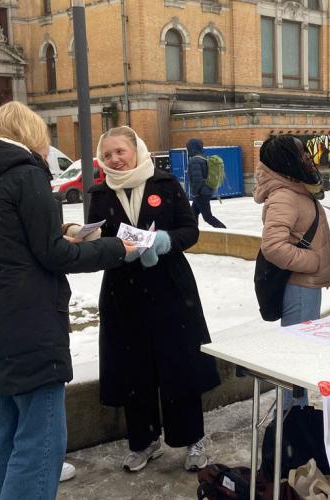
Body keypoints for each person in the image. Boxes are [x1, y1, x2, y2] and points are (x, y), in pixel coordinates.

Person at [0, 101, 135, 500]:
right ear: (30, 137)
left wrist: (59, 237)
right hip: (31, 320)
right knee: (41, 434)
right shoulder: (26, 176)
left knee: (3, 415)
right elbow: (54, 256)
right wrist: (114, 248)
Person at [89, 126, 221, 473]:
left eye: (120, 151)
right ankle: (144, 441)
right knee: (134, 368)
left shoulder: (164, 184)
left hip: (170, 289)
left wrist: (162, 241)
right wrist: (112, 249)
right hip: (123, 291)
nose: (115, 159)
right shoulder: (99, 193)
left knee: (179, 364)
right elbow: (96, 238)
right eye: (108, 155)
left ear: (136, 149)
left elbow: (189, 230)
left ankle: (194, 437)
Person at [254, 134, 330, 409]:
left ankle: (294, 411)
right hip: (300, 287)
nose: (307, 158)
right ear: (287, 160)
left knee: (300, 353)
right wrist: (313, 262)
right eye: (301, 153)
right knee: (296, 356)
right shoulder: (285, 196)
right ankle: (291, 417)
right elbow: (273, 247)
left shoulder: (297, 189)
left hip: (307, 286)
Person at [187, 138, 227, 228]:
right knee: (193, 214)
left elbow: (197, 180)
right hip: (205, 191)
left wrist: (195, 193)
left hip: (201, 193)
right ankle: (194, 234)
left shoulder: (195, 161)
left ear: (192, 148)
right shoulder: (203, 157)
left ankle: (225, 231)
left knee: (208, 217)